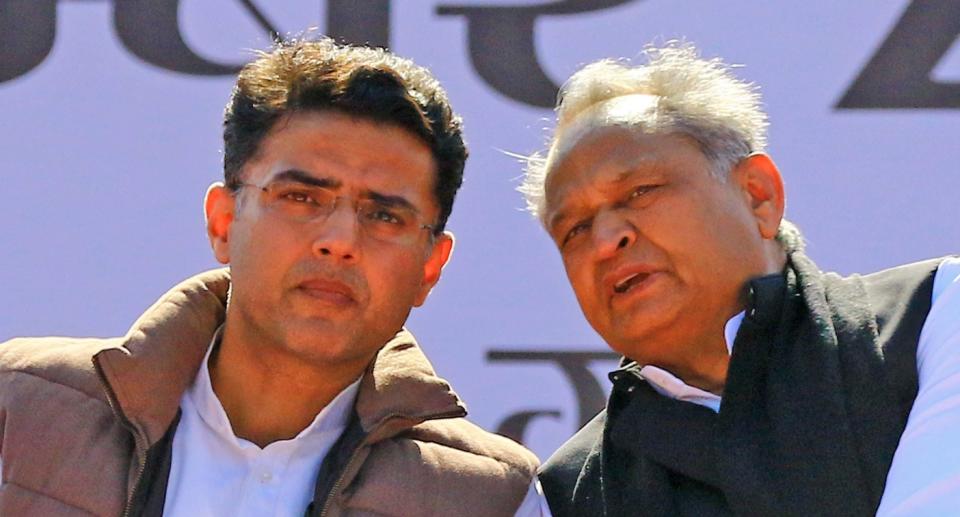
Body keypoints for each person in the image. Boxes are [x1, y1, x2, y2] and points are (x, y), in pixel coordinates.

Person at [0, 38, 545, 516]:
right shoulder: (22, 406)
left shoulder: (489, 498)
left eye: (384, 215)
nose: (340, 241)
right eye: (301, 197)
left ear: (430, 268)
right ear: (224, 222)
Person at [520, 43, 960, 516]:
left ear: (758, 196)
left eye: (639, 191)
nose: (606, 239)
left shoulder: (934, 314)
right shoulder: (566, 492)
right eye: (575, 229)